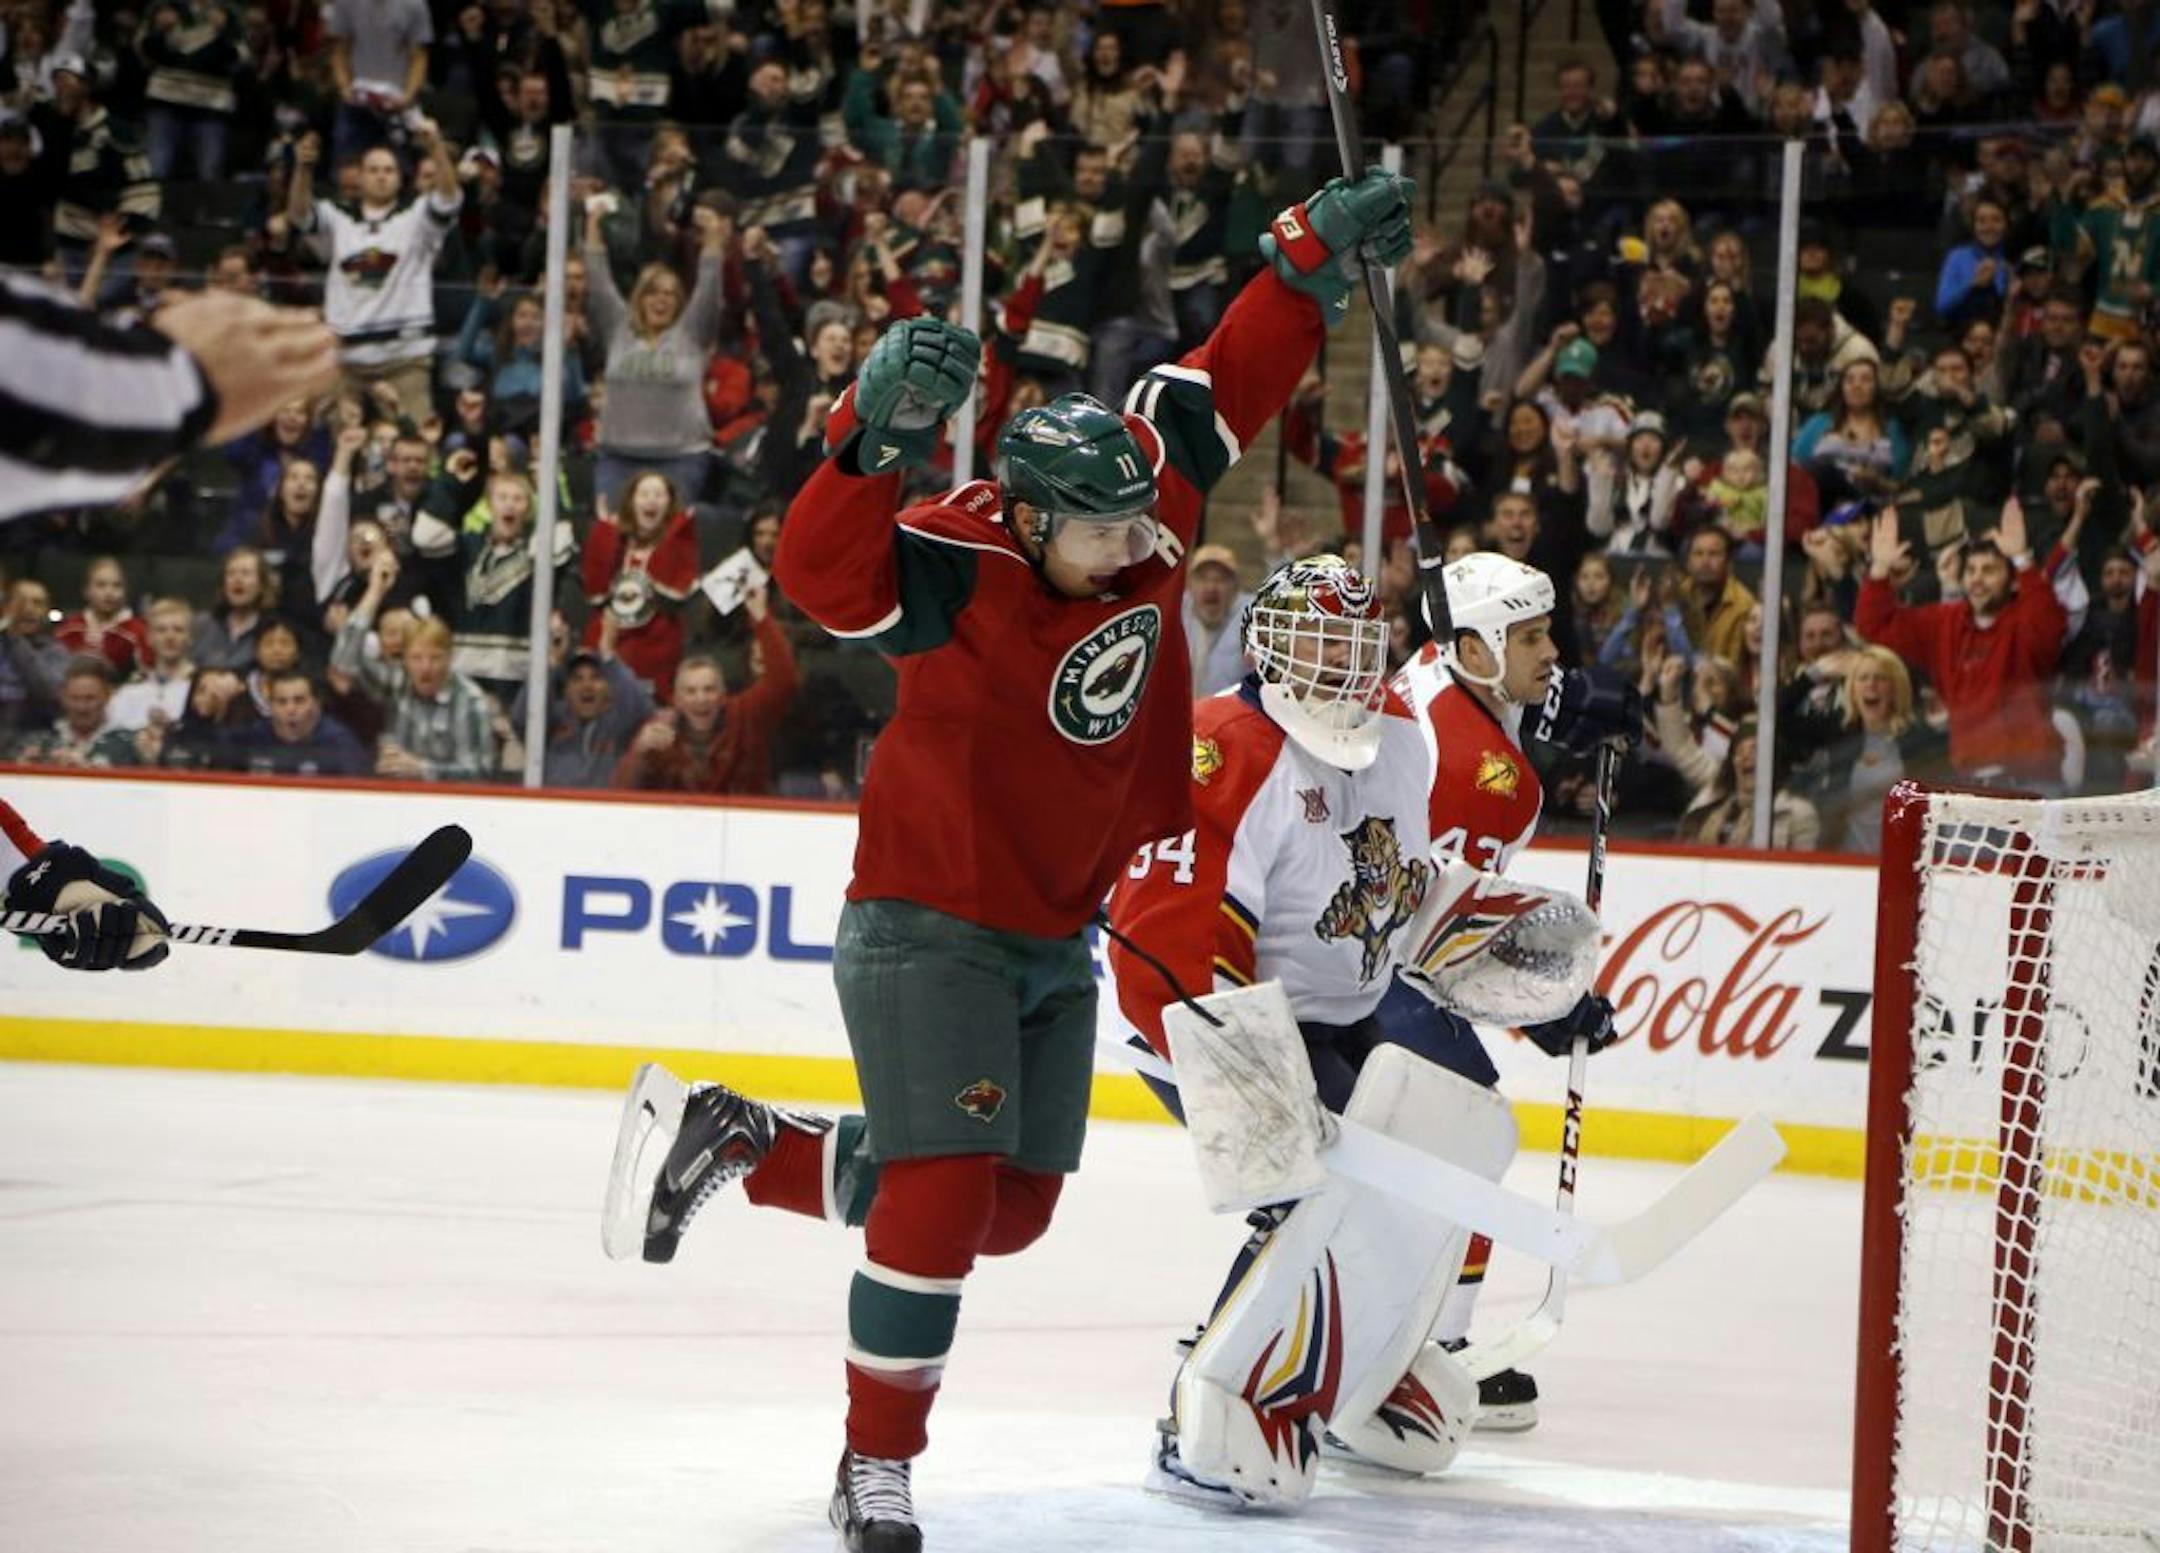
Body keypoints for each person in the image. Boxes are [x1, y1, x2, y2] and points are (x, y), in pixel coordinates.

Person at [601, 167, 1413, 1553]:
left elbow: (1221, 383)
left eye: (1142, 523)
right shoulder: (955, 561)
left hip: (1055, 927)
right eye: (1106, 534)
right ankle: (876, 1464)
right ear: (1029, 521)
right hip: (930, 921)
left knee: (1013, 1210)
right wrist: (865, 434)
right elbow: (819, 577)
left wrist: (1304, 270)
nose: (1144, 547)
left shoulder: (1132, 503)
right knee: (938, 1197)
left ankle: (741, 1138)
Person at [1857, 501, 2069, 789]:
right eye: (1971, 570)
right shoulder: (1944, 622)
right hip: (1970, 786)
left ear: (2012, 581)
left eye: (1989, 571)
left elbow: (2050, 625)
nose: (1977, 580)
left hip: (2030, 784)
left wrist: (2022, 559)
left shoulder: (2024, 622)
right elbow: (1874, 625)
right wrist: (1879, 569)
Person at [285, 118, 463, 422]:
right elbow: (300, 215)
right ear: (360, 176)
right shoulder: (338, 217)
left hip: (405, 358)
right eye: (373, 170)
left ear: (399, 177)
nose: (381, 177)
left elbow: (448, 199)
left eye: (389, 170)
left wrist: (436, 147)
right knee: (339, 444)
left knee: (415, 444)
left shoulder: (416, 216)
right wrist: (302, 169)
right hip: (345, 360)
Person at [610, 590, 799, 795]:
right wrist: (638, 752)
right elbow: (621, 795)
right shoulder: (659, 734)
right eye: (690, 691)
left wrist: (761, 617)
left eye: (709, 689)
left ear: (722, 694)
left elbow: (784, 680)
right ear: (676, 699)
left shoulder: (744, 715)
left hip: (743, 819)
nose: (701, 699)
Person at [239, 669, 370, 777]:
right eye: (281, 701)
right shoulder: (253, 736)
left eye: (299, 700)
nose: (290, 709)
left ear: (317, 703)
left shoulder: (338, 742)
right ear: (270, 706)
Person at [1182, 542, 1251, 696]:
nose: (1211, 587)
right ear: (1190, 584)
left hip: (1229, 715)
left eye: (1220, 579)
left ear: (1235, 586)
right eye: (1202, 579)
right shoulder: (1177, 610)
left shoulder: (1251, 615)